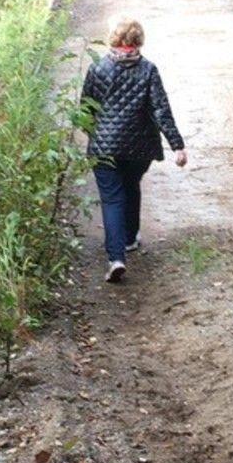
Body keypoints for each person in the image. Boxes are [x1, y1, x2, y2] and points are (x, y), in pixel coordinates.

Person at [81, 17, 187, 282]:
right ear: (138, 41)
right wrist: (177, 145)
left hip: (105, 147)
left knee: (112, 199)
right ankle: (129, 238)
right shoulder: (148, 70)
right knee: (131, 186)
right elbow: (161, 109)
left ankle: (116, 258)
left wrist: (94, 134)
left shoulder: (98, 68)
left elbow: (86, 108)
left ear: (114, 39)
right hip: (139, 148)